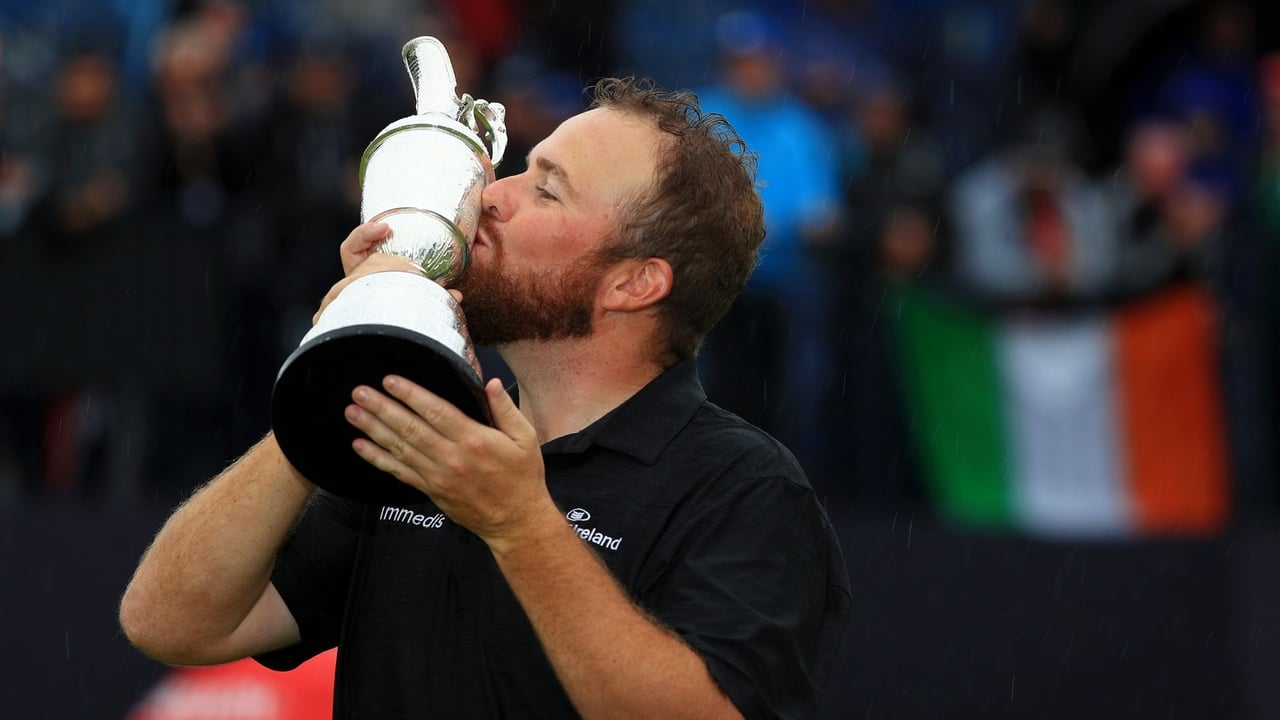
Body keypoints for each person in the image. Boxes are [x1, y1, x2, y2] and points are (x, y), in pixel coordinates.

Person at [119, 76, 852, 719]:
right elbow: (171, 621)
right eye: (518, 169)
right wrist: (347, 353)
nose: (488, 197)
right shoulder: (423, 434)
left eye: (545, 188)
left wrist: (520, 525)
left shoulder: (743, 487)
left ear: (636, 283)